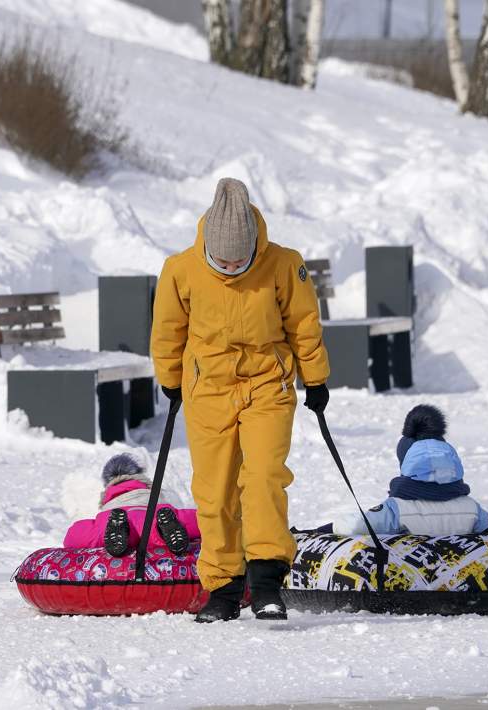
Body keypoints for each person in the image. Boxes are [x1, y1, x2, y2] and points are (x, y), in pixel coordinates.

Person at [150, 177, 330, 622]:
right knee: (214, 492)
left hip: (267, 383)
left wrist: (316, 378)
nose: (231, 267)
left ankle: (267, 582)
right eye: (222, 260)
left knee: (265, 476)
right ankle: (224, 590)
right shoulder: (181, 269)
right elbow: (168, 330)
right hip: (207, 389)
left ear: (255, 244)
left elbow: (304, 324)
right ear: (206, 244)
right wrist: (170, 379)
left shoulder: (285, 264)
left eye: (240, 260)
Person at [332, 404, 488, 537]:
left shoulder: (397, 509)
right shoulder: (473, 509)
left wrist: (334, 525)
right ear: (453, 466)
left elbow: (352, 527)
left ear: (407, 466)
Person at [62, 453, 200, 556]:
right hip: (154, 511)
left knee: (78, 532)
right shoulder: (148, 489)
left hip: (116, 516)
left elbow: (69, 540)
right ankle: (162, 530)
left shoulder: (110, 497)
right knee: (194, 520)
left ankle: (115, 533)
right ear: (139, 475)